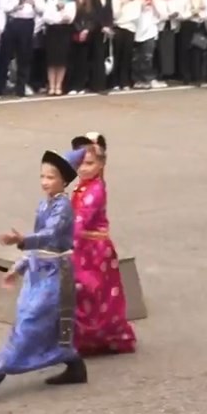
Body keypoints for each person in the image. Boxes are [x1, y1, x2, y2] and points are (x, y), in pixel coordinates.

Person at [0, 147, 87, 399]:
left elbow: (50, 235)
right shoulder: (43, 205)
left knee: (30, 321)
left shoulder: (63, 207)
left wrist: (22, 240)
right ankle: (74, 363)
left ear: (64, 181)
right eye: (42, 176)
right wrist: (19, 267)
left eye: (51, 177)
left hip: (56, 272)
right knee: (43, 324)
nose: (45, 182)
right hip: (38, 271)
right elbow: (38, 244)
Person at [68, 132, 136, 356]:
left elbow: (81, 220)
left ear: (101, 164)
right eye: (80, 163)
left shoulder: (95, 190)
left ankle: (99, 336)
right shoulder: (84, 186)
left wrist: (61, 238)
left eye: (89, 164)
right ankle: (85, 338)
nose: (83, 168)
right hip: (82, 246)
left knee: (91, 291)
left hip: (93, 250)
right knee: (84, 293)